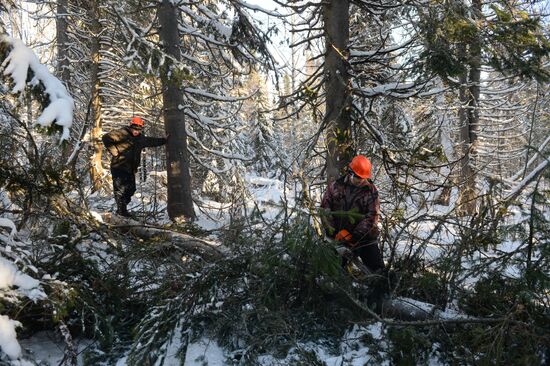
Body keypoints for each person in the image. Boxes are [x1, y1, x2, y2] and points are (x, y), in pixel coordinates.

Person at [320, 155, 384, 274]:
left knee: (378, 269)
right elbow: (325, 209)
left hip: (362, 239)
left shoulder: (371, 192)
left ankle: (381, 285)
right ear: (350, 173)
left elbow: (372, 217)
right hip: (337, 237)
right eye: (358, 177)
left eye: (363, 178)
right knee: (331, 271)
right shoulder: (335, 186)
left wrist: (354, 236)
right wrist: (332, 231)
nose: (361, 180)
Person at [102, 116, 167, 217]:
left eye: (139, 129)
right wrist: (114, 151)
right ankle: (121, 212)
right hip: (118, 166)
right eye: (135, 129)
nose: (136, 131)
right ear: (130, 126)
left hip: (131, 169)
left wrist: (164, 140)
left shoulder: (140, 139)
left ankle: (122, 208)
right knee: (120, 190)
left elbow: (151, 141)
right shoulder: (122, 133)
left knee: (131, 189)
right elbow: (106, 137)